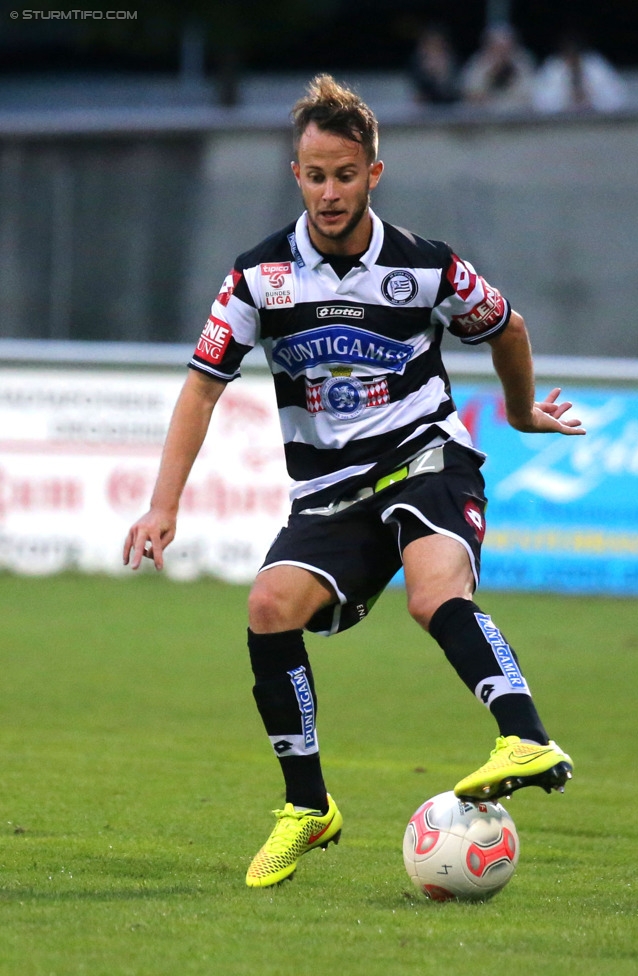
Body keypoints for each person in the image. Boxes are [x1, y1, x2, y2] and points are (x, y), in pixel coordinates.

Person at [123, 74, 586, 889]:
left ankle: (523, 735)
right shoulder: (259, 278)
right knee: (269, 607)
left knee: (432, 590)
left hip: (425, 456)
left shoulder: (424, 266)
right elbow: (203, 384)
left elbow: (505, 325)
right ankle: (308, 809)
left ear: (374, 172)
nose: (328, 192)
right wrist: (164, 504)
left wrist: (516, 413)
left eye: (344, 174)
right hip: (330, 493)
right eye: (313, 175)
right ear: (294, 174)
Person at [533, 30, 627, 113]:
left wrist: (590, 95)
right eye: (568, 52)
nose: (572, 57)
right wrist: (566, 96)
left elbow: (617, 100)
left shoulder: (595, 66)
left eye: (575, 52)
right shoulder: (553, 67)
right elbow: (540, 104)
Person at [461, 23, 536, 112]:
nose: (502, 52)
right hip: (483, 118)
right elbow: (471, 95)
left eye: (506, 47)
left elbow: (529, 96)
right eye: (496, 47)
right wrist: (491, 74)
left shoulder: (523, 64)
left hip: (517, 117)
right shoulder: (477, 64)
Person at [408, 23, 463, 105]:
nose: (433, 49)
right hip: (424, 110)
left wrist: (442, 75)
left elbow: (456, 92)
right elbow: (417, 92)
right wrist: (428, 74)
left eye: (437, 44)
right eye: (430, 44)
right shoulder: (416, 63)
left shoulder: (452, 61)